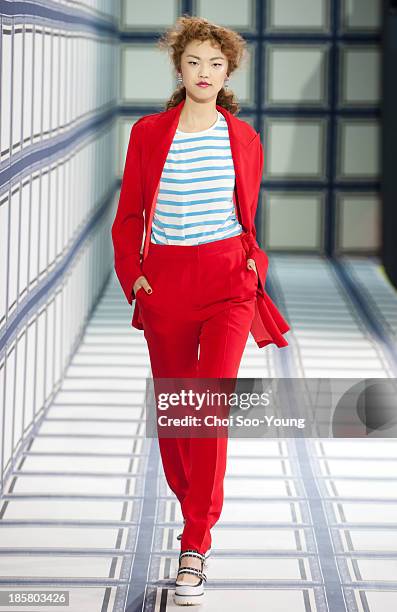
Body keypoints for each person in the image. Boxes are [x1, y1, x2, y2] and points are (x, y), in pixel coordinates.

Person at [111, 15, 290, 606]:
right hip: (164, 282)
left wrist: (252, 268)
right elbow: (131, 212)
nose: (205, 73)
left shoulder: (245, 139)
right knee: (177, 409)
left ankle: (195, 542)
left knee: (208, 403)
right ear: (179, 69)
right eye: (194, 62)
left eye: (216, 63)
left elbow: (247, 214)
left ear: (228, 71)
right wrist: (133, 277)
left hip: (227, 285)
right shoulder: (148, 133)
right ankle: (194, 503)